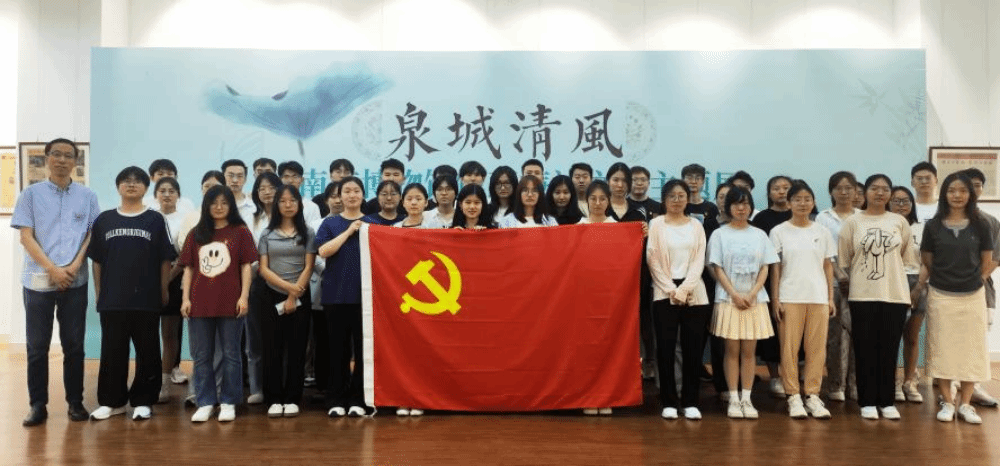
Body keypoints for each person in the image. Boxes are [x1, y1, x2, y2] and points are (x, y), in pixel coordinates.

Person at [12, 138, 100, 427]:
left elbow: (92, 235)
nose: (62, 160)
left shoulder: (87, 196)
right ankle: (38, 405)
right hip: (38, 282)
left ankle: (75, 402)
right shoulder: (30, 194)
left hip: (75, 281)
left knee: (74, 345)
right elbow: (26, 237)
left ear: (75, 161)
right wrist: (52, 269)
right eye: (57, 154)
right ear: (47, 158)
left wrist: (72, 267)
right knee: (37, 347)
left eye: (68, 156)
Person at [87, 166, 175, 421]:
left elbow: (165, 259)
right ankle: (111, 402)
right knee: (112, 351)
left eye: (138, 181)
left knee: (148, 351)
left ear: (146, 188)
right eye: (126, 180)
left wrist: (163, 289)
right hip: (113, 299)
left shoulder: (155, 219)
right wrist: (99, 291)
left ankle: (143, 401)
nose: (132, 184)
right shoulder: (104, 220)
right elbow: (97, 261)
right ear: (118, 187)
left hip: (146, 299)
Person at [915, 172, 992, 424]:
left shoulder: (981, 225)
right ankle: (947, 402)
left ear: (970, 195)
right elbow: (928, 259)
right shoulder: (933, 226)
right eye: (951, 191)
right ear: (944, 194)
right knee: (942, 349)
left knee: (972, 350)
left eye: (962, 191)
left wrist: (975, 280)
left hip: (972, 296)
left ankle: (966, 404)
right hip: (941, 295)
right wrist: (944, 279)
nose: (957, 195)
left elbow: (987, 261)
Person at [838, 174, 913, 421]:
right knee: (865, 348)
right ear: (864, 192)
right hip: (862, 294)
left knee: (889, 349)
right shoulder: (853, 222)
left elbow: (906, 258)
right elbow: (845, 259)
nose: (880, 193)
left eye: (885, 189)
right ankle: (867, 401)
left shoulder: (899, 221)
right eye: (874, 188)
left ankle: (887, 401)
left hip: (895, 294)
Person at [180, 185, 257, 422]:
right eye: (214, 203)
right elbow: (188, 269)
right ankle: (205, 402)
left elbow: (246, 266)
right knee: (202, 355)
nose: (219, 207)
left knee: (232, 354)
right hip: (199, 302)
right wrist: (185, 299)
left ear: (231, 205)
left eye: (224, 202)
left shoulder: (240, 232)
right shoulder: (196, 233)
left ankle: (228, 401)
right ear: (207, 205)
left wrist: (244, 296)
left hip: (231, 302)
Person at [707, 186, 777, 419]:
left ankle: (747, 398)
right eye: (736, 203)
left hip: (755, 299)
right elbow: (717, 267)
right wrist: (734, 294)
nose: (741, 208)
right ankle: (733, 398)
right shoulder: (719, 234)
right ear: (728, 207)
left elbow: (765, 267)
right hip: (729, 299)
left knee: (749, 351)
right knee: (731, 350)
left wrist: (753, 293)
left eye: (745, 203)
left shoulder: (759, 235)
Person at [769, 181, 835, 419]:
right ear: (789, 203)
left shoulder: (822, 231)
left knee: (816, 349)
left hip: (818, 297)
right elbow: (775, 268)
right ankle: (793, 395)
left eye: (807, 199)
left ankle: (813, 395)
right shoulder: (778, 231)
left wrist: (830, 298)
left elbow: (828, 265)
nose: (803, 203)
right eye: (797, 199)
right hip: (790, 296)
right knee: (789, 349)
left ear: (814, 202)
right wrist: (776, 299)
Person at [647, 179, 709, 420]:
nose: (676, 200)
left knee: (693, 349)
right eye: (671, 196)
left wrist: (684, 289)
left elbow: (699, 259)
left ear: (688, 198)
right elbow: (652, 258)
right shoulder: (656, 224)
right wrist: (671, 289)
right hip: (665, 292)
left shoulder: (696, 225)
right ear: (664, 199)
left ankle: (691, 401)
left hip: (694, 292)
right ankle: (669, 401)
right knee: (666, 348)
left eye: (681, 195)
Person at [256, 185, 317, 418]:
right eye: (283, 201)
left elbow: (309, 266)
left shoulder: (307, 232)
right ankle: (273, 398)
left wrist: (293, 294)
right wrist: (288, 288)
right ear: (276, 205)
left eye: (292, 200)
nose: (288, 205)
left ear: (299, 204)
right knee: (271, 348)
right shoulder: (266, 234)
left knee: (297, 348)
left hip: (300, 295)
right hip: (270, 295)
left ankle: (292, 398)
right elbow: (263, 268)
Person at [315, 176, 370, 417]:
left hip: (366, 299)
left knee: (362, 351)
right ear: (339, 196)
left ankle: (359, 399)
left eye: (356, 190)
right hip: (335, 296)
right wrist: (349, 231)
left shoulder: (373, 222)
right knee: (337, 350)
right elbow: (323, 251)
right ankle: (336, 399)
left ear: (363, 194)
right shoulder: (330, 223)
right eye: (346, 191)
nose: (351, 195)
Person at [815, 171, 860, 402]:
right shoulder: (823, 218)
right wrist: (840, 274)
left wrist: (854, 277)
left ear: (856, 191)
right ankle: (836, 384)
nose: (844, 192)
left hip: (862, 283)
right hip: (832, 282)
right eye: (838, 188)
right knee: (835, 336)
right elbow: (822, 252)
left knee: (858, 335)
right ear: (831, 191)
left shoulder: (863, 216)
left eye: (848, 188)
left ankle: (854, 383)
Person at [957, 168, 1000, 407]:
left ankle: (974, 388)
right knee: (952, 338)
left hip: (981, 289)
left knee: (977, 339)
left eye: (977, 185)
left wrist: (979, 278)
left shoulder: (990, 222)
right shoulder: (945, 220)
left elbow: (996, 257)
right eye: (967, 185)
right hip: (949, 290)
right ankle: (950, 388)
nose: (972, 190)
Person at [751, 175, 793, 397]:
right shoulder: (762, 218)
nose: (781, 191)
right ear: (769, 193)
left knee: (794, 331)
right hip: (767, 280)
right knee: (771, 333)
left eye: (786, 187)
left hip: (795, 278)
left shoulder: (799, 215)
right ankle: (774, 377)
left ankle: (791, 375)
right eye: (776, 188)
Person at [245, 171, 282, 405]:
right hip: (256, 281)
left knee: (280, 338)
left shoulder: (289, 216)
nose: (267, 192)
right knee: (255, 338)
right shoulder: (250, 219)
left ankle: (280, 386)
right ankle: (257, 387)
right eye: (262, 188)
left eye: (271, 187)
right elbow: (245, 251)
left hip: (284, 281)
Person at [888, 186, 925, 403]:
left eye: (905, 201)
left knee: (911, 337)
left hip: (917, 282)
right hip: (891, 283)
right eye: (896, 201)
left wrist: (918, 288)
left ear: (912, 204)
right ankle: (892, 381)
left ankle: (909, 381)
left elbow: (928, 261)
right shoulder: (883, 225)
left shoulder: (922, 228)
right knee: (891, 337)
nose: (901, 205)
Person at [153, 177, 188, 403]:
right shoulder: (149, 217)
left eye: (172, 190)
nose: (167, 194)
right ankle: (150, 379)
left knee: (169, 334)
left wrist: (166, 280)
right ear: (156, 195)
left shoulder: (185, 220)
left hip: (175, 280)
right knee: (147, 334)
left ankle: (165, 383)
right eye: (162, 190)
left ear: (178, 195)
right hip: (148, 280)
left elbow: (185, 255)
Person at [703, 182, 732, 399]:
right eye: (721, 196)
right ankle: (722, 384)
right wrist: (724, 284)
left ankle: (741, 382)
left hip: (744, 291)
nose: (725, 200)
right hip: (714, 287)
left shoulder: (749, 226)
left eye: (729, 196)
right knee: (719, 337)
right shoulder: (709, 224)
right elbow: (708, 262)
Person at [278, 160, 322, 225]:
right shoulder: (274, 204)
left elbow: (315, 229)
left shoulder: (312, 207)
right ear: (280, 179)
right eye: (286, 176)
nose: (290, 181)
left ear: (302, 180)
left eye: (295, 176)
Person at [222, 159, 255, 226]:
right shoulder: (216, 206)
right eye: (230, 175)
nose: (235, 180)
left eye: (240, 176)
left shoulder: (254, 206)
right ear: (222, 178)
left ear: (245, 179)